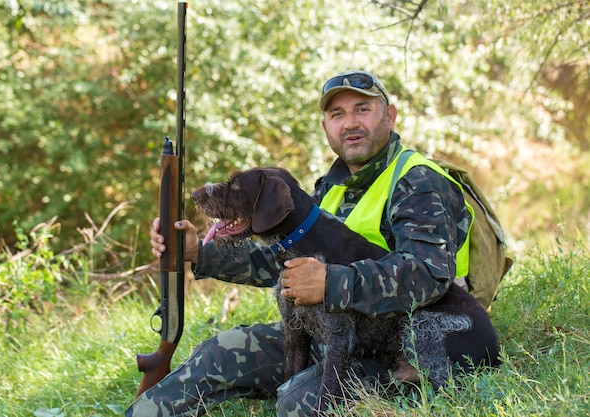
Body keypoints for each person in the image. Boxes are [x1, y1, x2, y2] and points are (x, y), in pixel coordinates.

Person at [126, 70, 482, 417]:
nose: (350, 123)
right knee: (216, 353)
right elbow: (284, 265)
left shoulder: (417, 181)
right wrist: (197, 253)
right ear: (326, 126)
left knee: (299, 400)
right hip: (336, 333)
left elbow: (427, 275)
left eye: (363, 109)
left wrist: (331, 283)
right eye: (337, 114)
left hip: (409, 341)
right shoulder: (330, 188)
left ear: (389, 116)